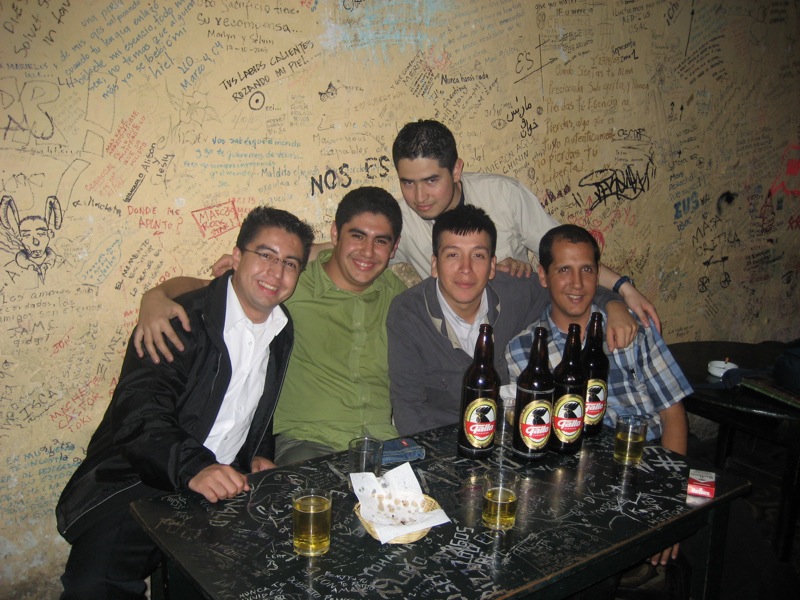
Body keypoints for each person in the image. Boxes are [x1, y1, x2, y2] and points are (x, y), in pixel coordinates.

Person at [55, 206, 315, 599]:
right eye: (265, 255)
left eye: (289, 263)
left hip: (225, 485)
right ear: (237, 255)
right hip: (140, 480)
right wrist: (196, 467)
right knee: (93, 586)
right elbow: (139, 415)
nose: (275, 273)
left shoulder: (282, 328)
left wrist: (259, 452)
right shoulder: (178, 319)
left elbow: (253, 404)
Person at [132, 187, 406, 465]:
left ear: (394, 248)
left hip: (384, 442)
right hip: (309, 442)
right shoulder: (288, 284)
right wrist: (157, 295)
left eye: (380, 241)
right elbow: (214, 288)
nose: (367, 251)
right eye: (357, 236)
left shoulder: (397, 295)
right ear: (335, 234)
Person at [505, 223, 691, 567]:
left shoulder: (633, 327)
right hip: (580, 481)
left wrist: (667, 502)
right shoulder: (525, 350)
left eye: (587, 270)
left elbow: (673, 413)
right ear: (544, 277)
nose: (577, 284)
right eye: (564, 270)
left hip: (651, 462)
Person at [389, 119, 662, 332]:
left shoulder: (503, 195)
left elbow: (566, 255)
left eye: (431, 180)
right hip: (458, 342)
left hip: (525, 329)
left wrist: (623, 291)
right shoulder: (400, 219)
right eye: (408, 183)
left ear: (456, 170)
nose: (420, 197)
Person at [388, 205, 636, 436]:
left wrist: (614, 303)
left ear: (493, 266)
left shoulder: (515, 291)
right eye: (453, 255)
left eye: (478, 256)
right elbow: (409, 410)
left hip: (510, 443)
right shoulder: (408, 312)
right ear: (434, 265)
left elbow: (570, 288)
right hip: (444, 444)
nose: (466, 268)